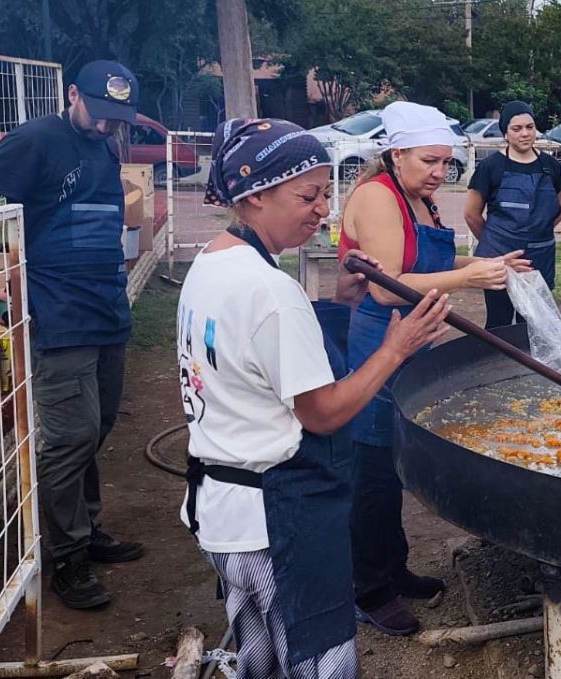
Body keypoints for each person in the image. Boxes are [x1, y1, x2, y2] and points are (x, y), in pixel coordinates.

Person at [180, 117, 452, 678]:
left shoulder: (211, 263)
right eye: (307, 196)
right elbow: (324, 412)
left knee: (260, 660)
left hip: (223, 509)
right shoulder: (269, 290)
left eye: (327, 193)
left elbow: (258, 362)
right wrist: (396, 347)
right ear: (255, 196)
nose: (323, 211)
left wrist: (339, 300)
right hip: (276, 522)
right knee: (315, 663)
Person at [0, 60, 145, 609]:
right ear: (73, 94)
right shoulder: (35, 139)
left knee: (98, 423)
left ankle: (86, 527)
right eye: (100, 115)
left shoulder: (106, 142)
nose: (108, 127)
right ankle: (67, 558)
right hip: (58, 315)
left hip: (107, 308)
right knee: (69, 434)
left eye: (117, 119)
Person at [339, 101, 531, 635]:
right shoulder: (378, 198)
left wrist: (488, 264)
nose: (439, 173)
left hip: (414, 338)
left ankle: (393, 569)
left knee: (396, 462)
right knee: (372, 472)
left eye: (446, 163)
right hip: (380, 343)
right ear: (395, 153)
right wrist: (470, 283)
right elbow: (385, 285)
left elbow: (433, 265)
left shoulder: (419, 199)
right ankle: (367, 590)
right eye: (429, 161)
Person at [464, 101, 561, 328]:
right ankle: (495, 363)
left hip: (540, 259)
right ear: (505, 133)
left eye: (529, 127)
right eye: (517, 128)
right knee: (499, 321)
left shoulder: (551, 167)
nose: (525, 134)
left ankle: (529, 363)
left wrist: (536, 236)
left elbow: (558, 211)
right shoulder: (491, 167)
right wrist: (495, 242)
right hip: (501, 260)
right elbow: (471, 214)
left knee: (533, 323)